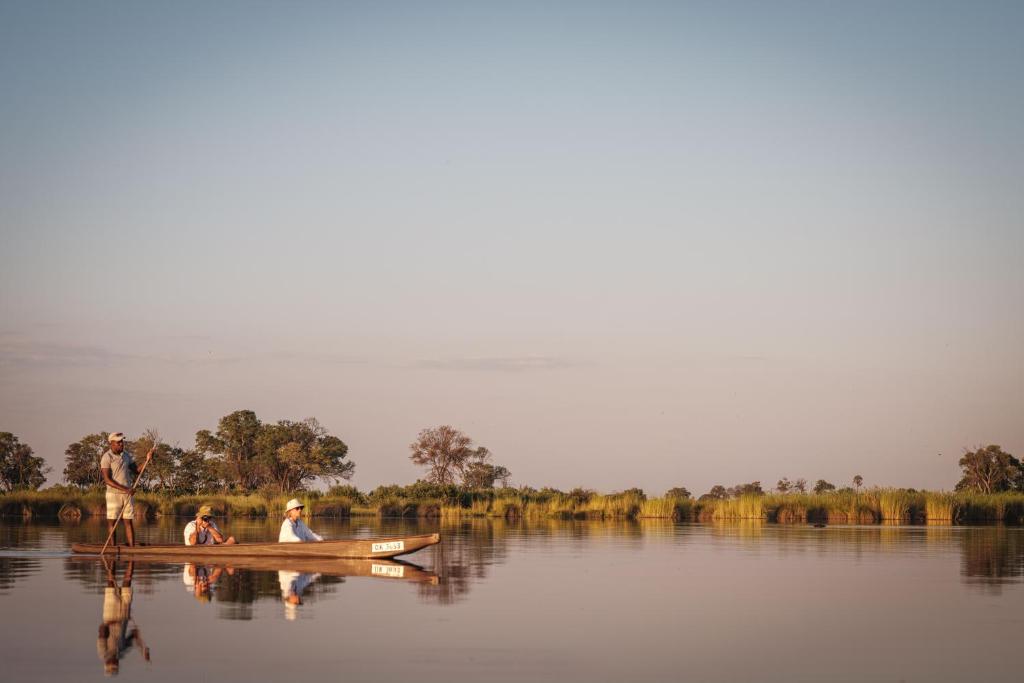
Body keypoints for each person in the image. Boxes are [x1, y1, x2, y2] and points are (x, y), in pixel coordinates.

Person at [96, 560, 150, 675]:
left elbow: (102, 628)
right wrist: (143, 648)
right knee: (127, 581)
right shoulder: (121, 653)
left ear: (106, 663)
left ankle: (112, 557)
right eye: (116, 665)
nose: (115, 662)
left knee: (111, 582)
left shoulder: (103, 652)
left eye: (112, 664)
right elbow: (134, 635)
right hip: (124, 613)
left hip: (111, 612)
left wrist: (114, 624)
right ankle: (131, 559)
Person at [100, 432, 153, 547]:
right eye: (118, 442)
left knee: (128, 521)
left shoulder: (126, 456)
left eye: (122, 441)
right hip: (114, 494)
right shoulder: (106, 457)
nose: (121, 444)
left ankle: (131, 548)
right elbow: (107, 480)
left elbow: (137, 470)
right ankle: (113, 548)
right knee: (112, 522)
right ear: (111, 443)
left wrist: (147, 460)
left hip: (127, 494)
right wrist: (125, 489)